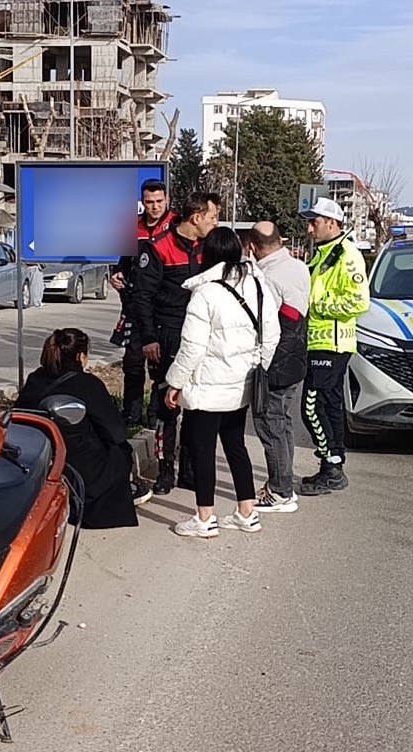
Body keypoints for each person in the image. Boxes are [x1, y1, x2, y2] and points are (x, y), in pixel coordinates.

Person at [163, 227, 279, 538]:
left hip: (208, 388)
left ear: (207, 255)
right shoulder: (258, 285)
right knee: (235, 444)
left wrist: (174, 383)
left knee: (203, 449)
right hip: (241, 385)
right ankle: (246, 513)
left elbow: (192, 348)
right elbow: (272, 334)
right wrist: (256, 366)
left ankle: (204, 519)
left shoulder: (205, 293)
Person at [129, 190, 221, 495]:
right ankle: (165, 471)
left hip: (201, 336)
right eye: (212, 217)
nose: (215, 222)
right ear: (196, 218)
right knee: (167, 409)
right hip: (167, 335)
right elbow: (142, 297)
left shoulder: (209, 246)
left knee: (196, 406)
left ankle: (189, 471)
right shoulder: (159, 247)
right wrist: (148, 338)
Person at [15, 329, 151, 530]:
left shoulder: (36, 379)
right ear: (80, 356)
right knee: (121, 451)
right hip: (80, 464)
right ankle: (120, 493)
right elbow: (116, 432)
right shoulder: (88, 384)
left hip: (40, 455)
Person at [297, 198, 370, 496]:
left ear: (332, 223)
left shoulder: (346, 255)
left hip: (332, 344)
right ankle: (332, 466)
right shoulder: (322, 254)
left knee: (311, 408)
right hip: (318, 343)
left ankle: (332, 467)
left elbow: (359, 301)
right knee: (329, 406)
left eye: (314, 222)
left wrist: (316, 305)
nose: (309, 228)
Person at [244, 221, 311, 513]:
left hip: (274, 362)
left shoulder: (265, 278)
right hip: (296, 357)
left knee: (270, 425)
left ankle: (280, 491)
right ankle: (283, 486)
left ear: (252, 247)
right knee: (282, 424)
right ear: (280, 240)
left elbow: (264, 325)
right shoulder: (299, 267)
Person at [111, 179, 176, 427]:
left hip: (164, 307)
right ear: (142, 202)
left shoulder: (176, 225)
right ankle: (132, 414)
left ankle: (156, 414)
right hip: (136, 305)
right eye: (149, 202)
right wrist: (117, 275)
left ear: (167, 200)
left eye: (159, 201)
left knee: (161, 365)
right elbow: (123, 262)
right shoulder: (133, 227)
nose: (155, 207)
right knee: (133, 363)